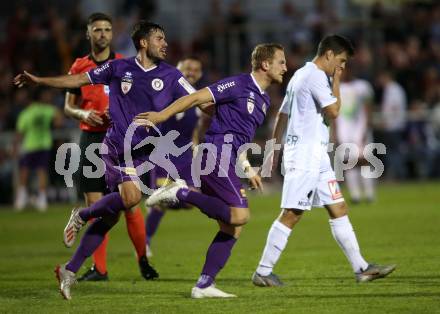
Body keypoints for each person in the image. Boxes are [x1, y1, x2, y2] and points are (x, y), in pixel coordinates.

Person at [14, 21, 196, 300]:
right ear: (144, 43)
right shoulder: (118, 68)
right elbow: (77, 80)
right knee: (131, 199)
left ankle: (69, 269)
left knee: (111, 217)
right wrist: (40, 81)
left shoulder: (171, 74)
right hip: (117, 146)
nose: (165, 43)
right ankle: (82, 215)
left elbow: (200, 98)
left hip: (143, 151)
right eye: (160, 38)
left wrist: (225, 100)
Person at [135, 43, 287, 298]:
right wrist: (161, 116)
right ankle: (180, 192)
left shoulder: (263, 100)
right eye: (281, 62)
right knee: (240, 216)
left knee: (231, 227)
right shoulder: (239, 84)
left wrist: (247, 168)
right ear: (265, 64)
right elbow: (194, 98)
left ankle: (204, 285)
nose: (285, 66)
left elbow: (235, 134)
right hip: (214, 154)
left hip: (226, 158)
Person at [250, 35, 396, 287]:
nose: (341, 67)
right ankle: (263, 271)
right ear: (328, 54)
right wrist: (337, 79)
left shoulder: (299, 76)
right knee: (292, 214)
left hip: (316, 157)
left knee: (338, 208)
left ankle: (361, 268)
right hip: (305, 156)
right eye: (340, 61)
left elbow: (282, 115)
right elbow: (334, 112)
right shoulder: (317, 76)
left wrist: (274, 148)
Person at [64, 13, 149, 282]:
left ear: (112, 35)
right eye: (97, 29)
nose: (102, 34)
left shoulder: (126, 65)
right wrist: (82, 115)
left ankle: (143, 260)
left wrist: (121, 113)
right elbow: (67, 106)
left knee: (130, 203)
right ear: (88, 34)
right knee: (96, 203)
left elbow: (139, 101)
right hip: (91, 140)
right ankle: (99, 268)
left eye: (107, 30)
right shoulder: (79, 66)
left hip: (119, 139)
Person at [145, 56, 204, 256]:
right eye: (187, 68)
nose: (191, 72)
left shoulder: (199, 98)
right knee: (161, 204)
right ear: (177, 69)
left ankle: (169, 197)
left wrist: (196, 149)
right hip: (164, 153)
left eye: (195, 70)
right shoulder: (166, 93)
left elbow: (194, 129)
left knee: (190, 202)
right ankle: (144, 242)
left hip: (185, 156)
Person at [14, 88, 63, 211]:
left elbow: (20, 132)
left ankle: (22, 198)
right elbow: (59, 120)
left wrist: (15, 147)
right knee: (42, 171)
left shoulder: (26, 112)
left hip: (29, 145)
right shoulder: (46, 109)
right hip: (44, 145)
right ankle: (42, 199)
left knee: (24, 171)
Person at [335, 67, 376, 203]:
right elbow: (333, 113)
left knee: (364, 161)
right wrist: (334, 133)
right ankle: (355, 195)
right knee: (349, 163)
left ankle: (369, 194)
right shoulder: (335, 88)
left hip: (360, 129)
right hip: (344, 131)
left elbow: (369, 108)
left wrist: (367, 127)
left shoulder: (362, 86)